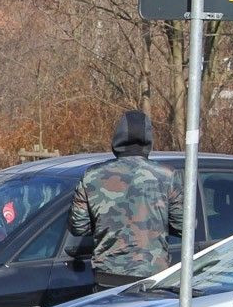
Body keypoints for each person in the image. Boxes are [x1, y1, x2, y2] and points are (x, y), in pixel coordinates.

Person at [69, 110, 185, 290]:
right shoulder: (168, 176)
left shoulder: (92, 176)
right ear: (148, 141)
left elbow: (78, 226)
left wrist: (104, 222)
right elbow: (183, 226)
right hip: (153, 277)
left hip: (107, 277)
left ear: (117, 139)